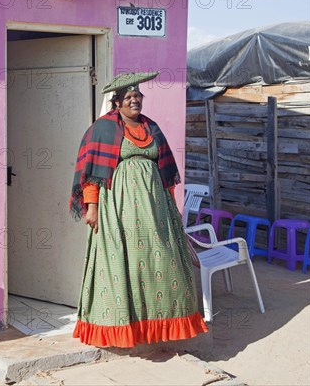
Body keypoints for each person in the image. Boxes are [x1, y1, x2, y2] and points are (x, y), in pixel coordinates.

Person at [69, 71, 208, 348]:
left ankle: (159, 327)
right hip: (117, 211)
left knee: (163, 262)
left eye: (138, 96)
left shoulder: (152, 128)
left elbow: (166, 171)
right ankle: (121, 328)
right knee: (121, 264)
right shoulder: (103, 130)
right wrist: (92, 208)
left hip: (156, 210)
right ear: (117, 103)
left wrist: (172, 206)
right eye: (128, 97)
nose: (134, 101)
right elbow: (91, 173)